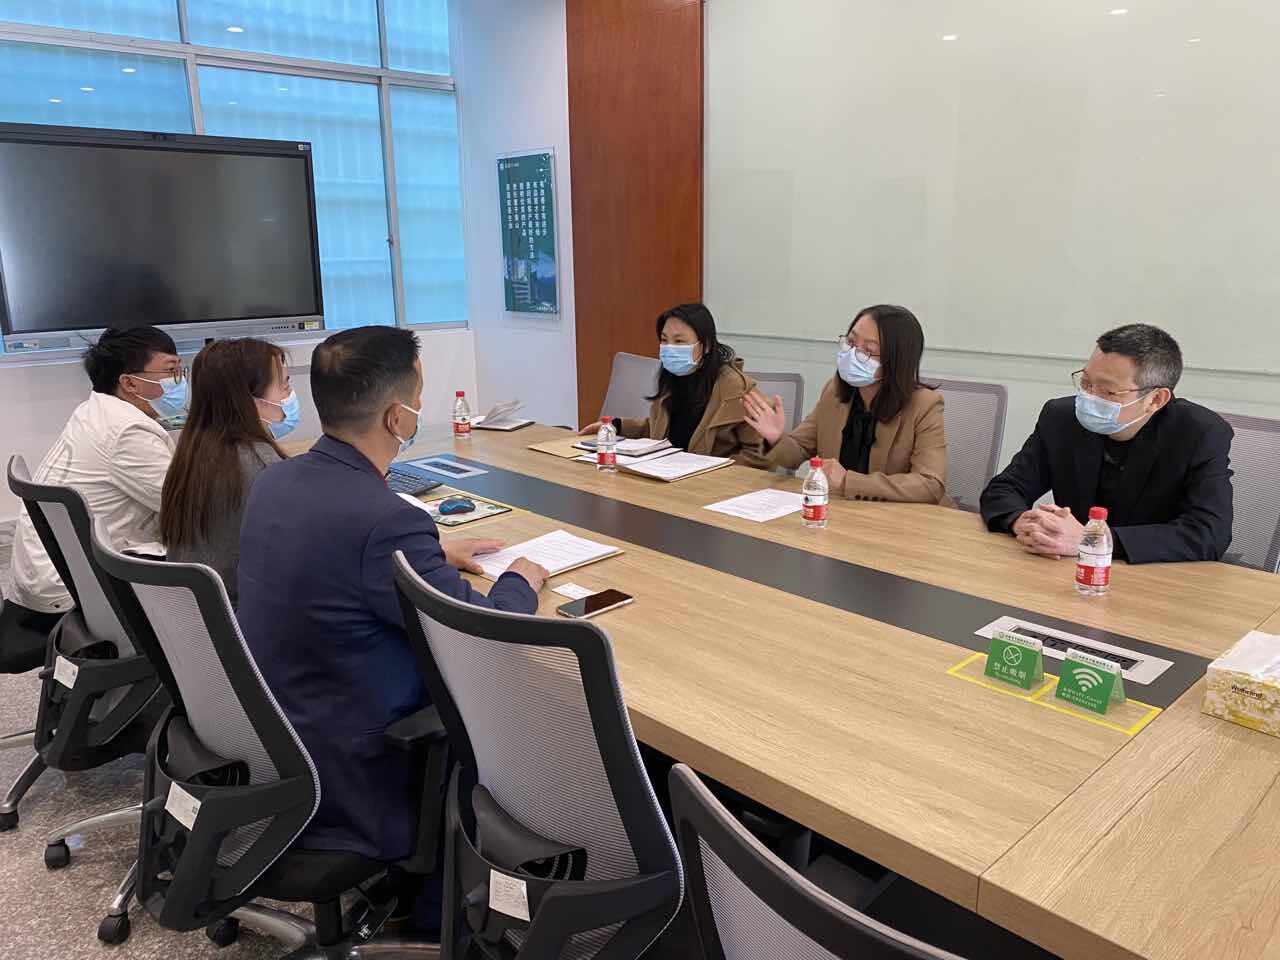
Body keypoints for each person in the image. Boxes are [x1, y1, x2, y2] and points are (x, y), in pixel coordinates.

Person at [236, 326, 547, 925]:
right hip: (358, 766)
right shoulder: (385, 521)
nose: (420, 410)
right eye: (419, 398)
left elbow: (342, 558)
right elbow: (484, 635)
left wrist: (431, 554)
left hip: (279, 738)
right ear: (397, 418)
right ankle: (448, 911)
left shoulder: (277, 479)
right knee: (531, 704)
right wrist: (519, 581)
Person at [980, 323, 1233, 564]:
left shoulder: (1200, 433)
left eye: (1107, 391)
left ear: (1155, 399)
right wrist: (1022, 522)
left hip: (1152, 577)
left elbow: (1209, 533)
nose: (1089, 397)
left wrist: (1092, 540)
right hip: (1067, 568)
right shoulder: (1061, 418)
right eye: (1086, 382)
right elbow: (1005, 489)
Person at [8, 325, 183, 627]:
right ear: (129, 382)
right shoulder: (128, 431)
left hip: (51, 572)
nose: (180, 381)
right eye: (170, 372)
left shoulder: (96, 410)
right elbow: (190, 509)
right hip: (75, 586)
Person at [743, 304, 950, 503]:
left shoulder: (924, 405)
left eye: (867, 350)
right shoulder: (833, 392)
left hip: (901, 520)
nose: (852, 354)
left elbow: (930, 484)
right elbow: (797, 453)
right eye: (850, 342)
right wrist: (776, 438)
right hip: (840, 512)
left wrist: (848, 481)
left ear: (896, 361)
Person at [160, 338, 296, 606]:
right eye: (284, 385)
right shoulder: (265, 470)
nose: (290, 395)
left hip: (196, 616)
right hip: (242, 619)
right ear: (250, 400)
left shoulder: (196, 452)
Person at [580, 303, 767, 466]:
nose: (669, 348)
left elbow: (759, 454)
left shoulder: (736, 389)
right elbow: (661, 430)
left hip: (708, 488)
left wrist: (716, 474)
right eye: (664, 340)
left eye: (679, 341)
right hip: (665, 477)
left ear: (706, 345)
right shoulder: (672, 379)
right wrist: (617, 426)